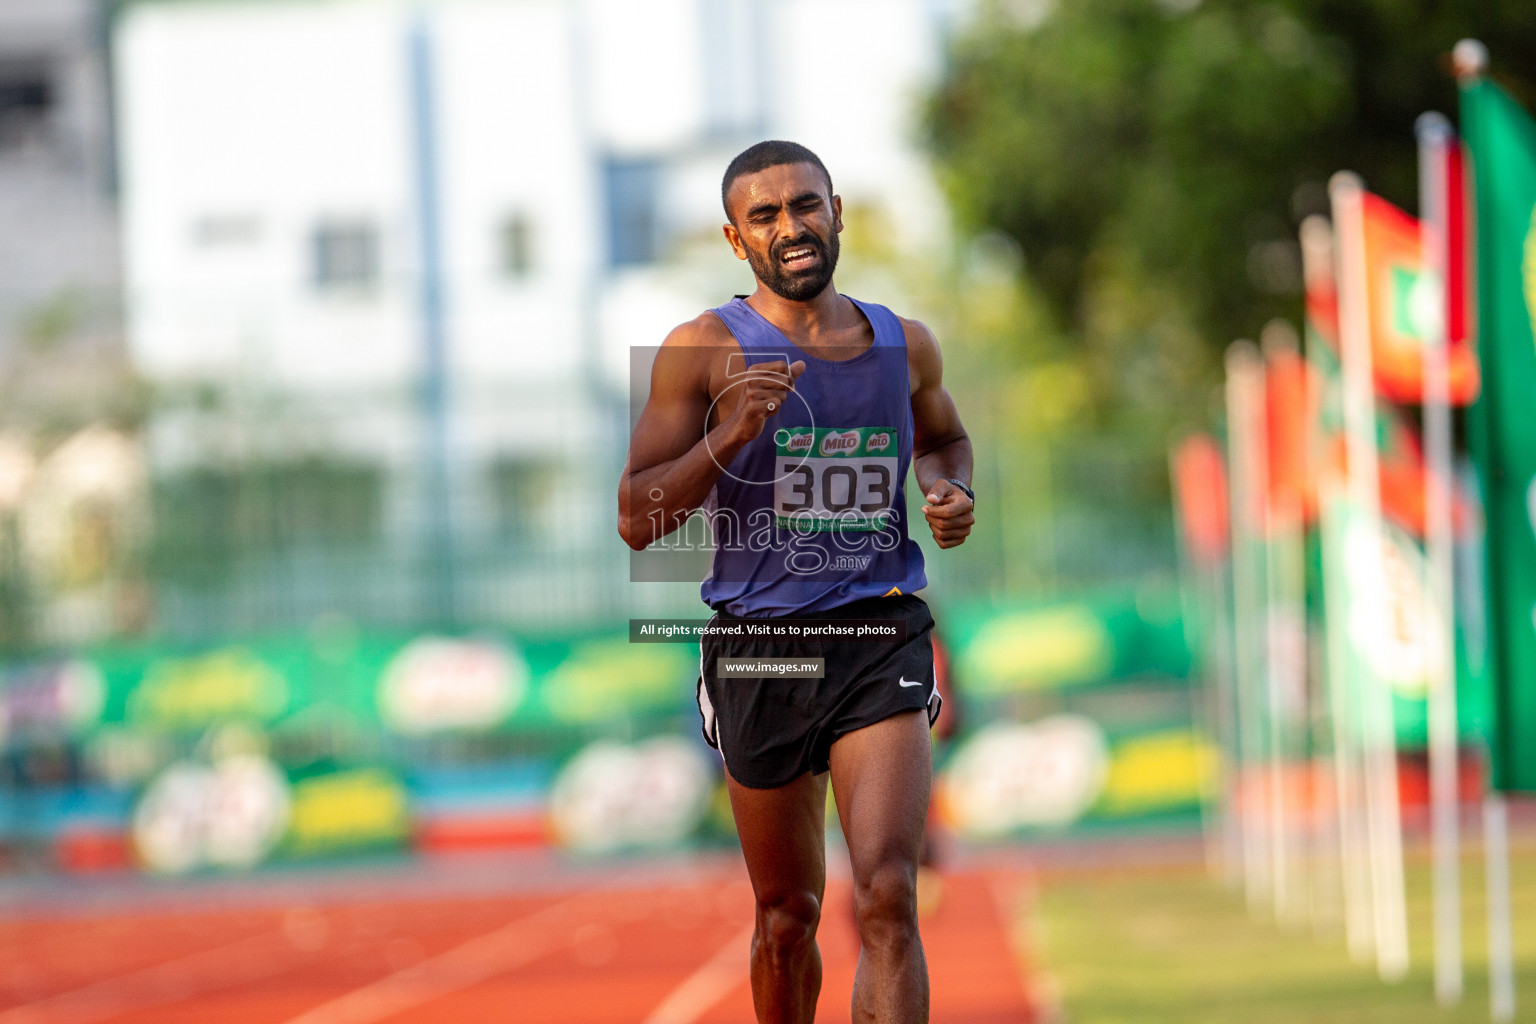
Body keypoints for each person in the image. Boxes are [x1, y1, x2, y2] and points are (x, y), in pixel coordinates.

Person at [618, 140, 974, 1024]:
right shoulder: (699, 348)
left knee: (888, 892)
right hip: (756, 651)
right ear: (737, 240)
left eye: (806, 206)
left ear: (838, 211)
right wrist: (725, 436)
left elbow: (942, 438)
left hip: (876, 634)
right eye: (767, 216)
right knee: (787, 918)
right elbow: (635, 517)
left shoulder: (904, 341)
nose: (792, 227)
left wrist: (947, 487)